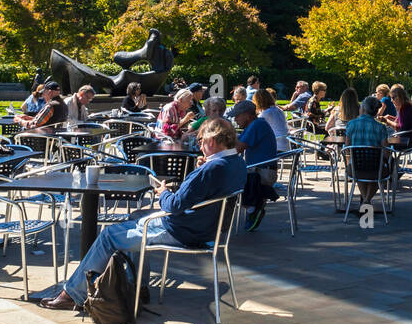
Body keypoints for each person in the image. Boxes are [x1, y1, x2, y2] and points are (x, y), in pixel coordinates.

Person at [40, 117, 247, 311]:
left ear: (212, 139)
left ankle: (72, 294)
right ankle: (137, 285)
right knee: (134, 217)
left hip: (184, 231)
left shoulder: (212, 169)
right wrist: (201, 168)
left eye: (201, 140)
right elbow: (205, 191)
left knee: (109, 235)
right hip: (210, 230)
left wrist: (162, 192)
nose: (199, 145)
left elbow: (173, 205)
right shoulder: (237, 164)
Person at [233, 99, 278, 231]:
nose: (235, 119)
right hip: (259, 169)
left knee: (227, 178)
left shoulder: (256, 126)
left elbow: (237, 149)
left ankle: (253, 207)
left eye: (237, 116)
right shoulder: (254, 125)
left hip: (262, 173)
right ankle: (252, 206)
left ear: (247, 115)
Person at [344, 92, 391, 206]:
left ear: (363, 108)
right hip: (375, 168)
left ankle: (365, 201)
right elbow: (386, 152)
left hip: (356, 168)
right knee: (379, 172)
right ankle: (367, 200)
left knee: (359, 168)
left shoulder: (351, 124)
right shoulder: (381, 127)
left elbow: (347, 148)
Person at [254, 88, 290, 153]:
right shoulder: (279, 110)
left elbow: (254, 125)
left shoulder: (266, 113)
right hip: (286, 145)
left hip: (276, 146)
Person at [384, 84, 412, 149]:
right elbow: (402, 122)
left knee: (382, 141)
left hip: (406, 141)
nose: (391, 100)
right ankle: (389, 158)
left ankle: (387, 159)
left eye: (393, 98)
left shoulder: (405, 108)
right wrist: (391, 118)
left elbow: (399, 127)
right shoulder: (406, 106)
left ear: (400, 97)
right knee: (383, 139)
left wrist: (386, 121)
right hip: (408, 139)